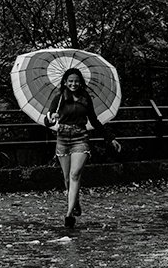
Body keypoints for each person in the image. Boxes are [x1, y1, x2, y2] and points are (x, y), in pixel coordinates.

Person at [44, 67, 121, 228]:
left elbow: (94, 120)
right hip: (62, 138)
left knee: (75, 174)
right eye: (70, 81)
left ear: (81, 82)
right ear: (65, 82)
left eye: (76, 81)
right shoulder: (59, 98)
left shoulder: (85, 98)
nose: (74, 84)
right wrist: (52, 118)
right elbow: (48, 120)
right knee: (67, 178)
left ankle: (69, 214)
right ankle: (75, 201)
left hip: (80, 138)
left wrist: (110, 138)